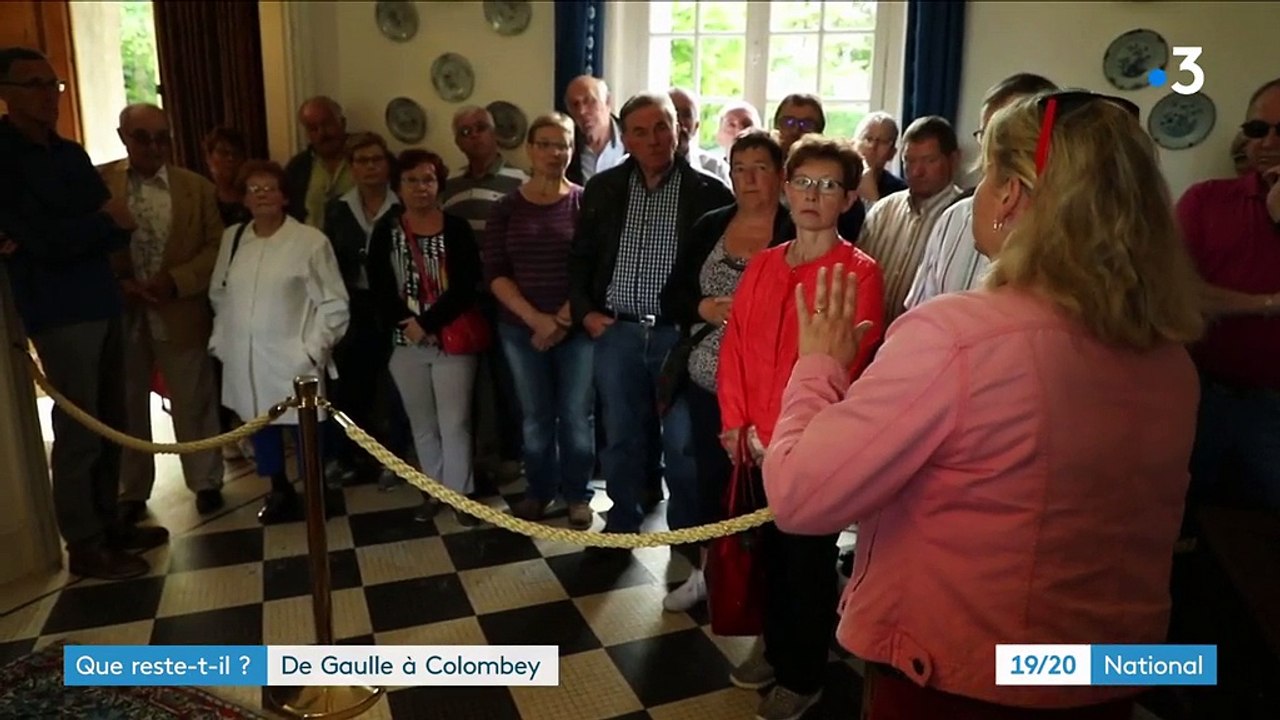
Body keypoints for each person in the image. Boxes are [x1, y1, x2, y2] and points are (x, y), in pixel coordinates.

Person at [763, 91, 1205, 717]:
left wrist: (818, 368)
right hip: (1112, 670)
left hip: (967, 676)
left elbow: (800, 496)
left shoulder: (957, 337)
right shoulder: (1170, 355)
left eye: (987, 173)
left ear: (1011, 196)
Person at [717, 136, 884, 720]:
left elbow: (848, 365)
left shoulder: (859, 273)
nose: (814, 195)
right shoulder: (764, 264)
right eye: (805, 183)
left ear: (848, 198)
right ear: (786, 191)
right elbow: (735, 346)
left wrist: (793, 439)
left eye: (829, 185)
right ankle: (773, 643)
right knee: (764, 554)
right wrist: (736, 424)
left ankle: (802, 672)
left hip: (811, 447)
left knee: (805, 564)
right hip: (752, 442)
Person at [0, 46, 167, 580]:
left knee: (113, 420)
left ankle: (109, 521)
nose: (49, 96)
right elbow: (45, 241)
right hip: (58, 309)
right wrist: (93, 225)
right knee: (80, 428)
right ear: (6, 93)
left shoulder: (70, 155)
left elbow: (119, 225)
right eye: (34, 85)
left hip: (101, 296)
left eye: (53, 85)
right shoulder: (4, 158)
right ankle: (85, 542)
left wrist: (86, 228)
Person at [568, 92, 734, 555]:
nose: (654, 139)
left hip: (678, 337)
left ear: (678, 129)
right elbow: (580, 259)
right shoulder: (603, 188)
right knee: (621, 438)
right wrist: (585, 313)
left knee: (683, 444)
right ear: (625, 138)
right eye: (640, 131)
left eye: (662, 126)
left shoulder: (710, 193)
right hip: (616, 333)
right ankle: (622, 522)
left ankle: (685, 535)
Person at [658, 129, 794, 612]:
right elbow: (671, 295)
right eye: (740, 169)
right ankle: (709, 573)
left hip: (771, 391)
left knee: (766, 490)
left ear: (781, 175)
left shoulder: (796, 228)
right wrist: (703, 308)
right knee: (708, 482)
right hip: (706, 384)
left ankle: (765, 586)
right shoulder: (711, 225)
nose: (750, 179)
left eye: (761, 168)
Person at [103, 103, 227, 521]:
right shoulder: (100, 184)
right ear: (123, 137)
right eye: (143, 138)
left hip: (179, 308)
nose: (154, 147)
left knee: (193, 399)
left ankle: (206, 481)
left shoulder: (196, 188)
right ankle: (132, 490)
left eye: (162, 138)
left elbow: (215, 247)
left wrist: (176, 280)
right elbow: (86, 244)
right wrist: (118, 283)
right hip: (122, 312)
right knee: (127, 403)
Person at [208, 160, 350, 524]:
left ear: (285, 196)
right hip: (245, 358)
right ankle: (279, 490)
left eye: (269, 188)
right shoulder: (234, 238)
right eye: (253, 189)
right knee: (260, 426)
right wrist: (222, 342)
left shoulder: (309, 241)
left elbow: (334, 304)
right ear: (244, 198)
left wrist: (311, 350)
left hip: (293, 357)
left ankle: (316, 492)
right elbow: (220, 293)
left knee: (305, 430)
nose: (262, 196)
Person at [484, 113, 595, 529]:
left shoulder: (584, 202)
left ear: (572, 150)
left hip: (576, 329)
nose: (554, 152)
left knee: (576, 415)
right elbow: (496, 272)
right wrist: (537, 321)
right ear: (529, 149)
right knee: (535, 416)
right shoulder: (506, 207)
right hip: (520, 330)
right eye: (545, 144)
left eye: (562, 144)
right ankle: (539, 490)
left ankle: (578, 495)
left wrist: (561, 320)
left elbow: (595, 269)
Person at [1177, 77, 1280, 515]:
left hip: (1274, 408)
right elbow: (1176, 290)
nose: (1269, 143)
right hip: (1203, 396)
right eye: (1257, 130)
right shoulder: (1206, 201)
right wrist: (1269, 304)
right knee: (1187, 516)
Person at [368, 149, 485, 527]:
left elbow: (466, 285)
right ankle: (433, 491)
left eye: (429, 179)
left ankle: (460, 496)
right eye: (412, 180)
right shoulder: (386, 230)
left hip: (452, 340)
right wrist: (409, 324)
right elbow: (380, 286)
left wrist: (428, 323)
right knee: (422, 424)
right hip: (405, 343)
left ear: (439, 184)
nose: (421, 188)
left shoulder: (457, 228)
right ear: (399, 186)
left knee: (455, 422)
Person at [321, 132, 401, 485]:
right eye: (362, 161)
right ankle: (351, 457)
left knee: (393, 387)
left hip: (394, 306)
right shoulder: (337, 209)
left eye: (376, 160)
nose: (370, 167)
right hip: (352, 306)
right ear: (352, 168)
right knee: (351, 386)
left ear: (387, 165)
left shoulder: (402, 206)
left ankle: (393, 459)